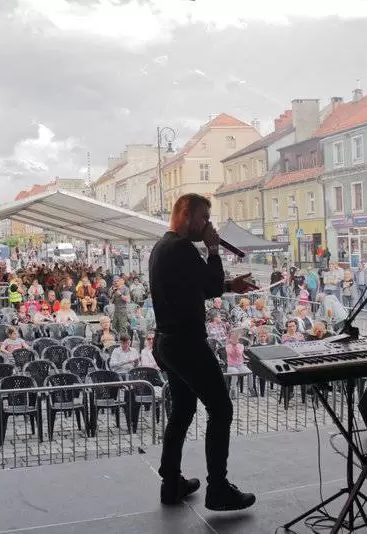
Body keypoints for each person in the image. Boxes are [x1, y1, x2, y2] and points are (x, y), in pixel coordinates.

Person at [149, 193, 257, 511]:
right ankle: (218, 489)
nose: (209, 224)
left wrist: (229, 286)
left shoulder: (163, 247)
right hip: (187, 342)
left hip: (167, 341)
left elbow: (196, 285)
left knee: (182, 411)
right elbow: (208, 285)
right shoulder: (182, 248)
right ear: (186, 214)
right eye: (204, 217)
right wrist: (213, 249)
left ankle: (171, 483)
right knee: (221, 408)